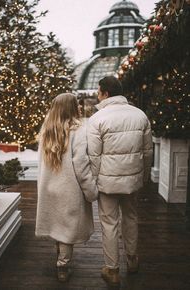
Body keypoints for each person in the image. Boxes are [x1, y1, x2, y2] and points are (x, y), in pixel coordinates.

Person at [87, 76, 153, 286]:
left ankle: (112, 269)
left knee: (109, 222)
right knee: (131, 217)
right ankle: (132, 260)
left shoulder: (97, 119)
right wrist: (143, 176)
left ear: (105, 93)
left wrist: (95, 181)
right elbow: (147, 151)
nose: (97, 95)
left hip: (107, 182)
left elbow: (94, 156)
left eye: (99, 91)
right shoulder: (140, 115)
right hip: (132, 179)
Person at [35, 93, 98, 282]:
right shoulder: (78, 131)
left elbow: (40, 163)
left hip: (49, 188)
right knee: (67, 230)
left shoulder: (45, 131)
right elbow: (81, 165)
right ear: (72, 108)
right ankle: (63, 267)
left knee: (57, 225)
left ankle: (60, 257)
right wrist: (91, 190)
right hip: (69, 189)